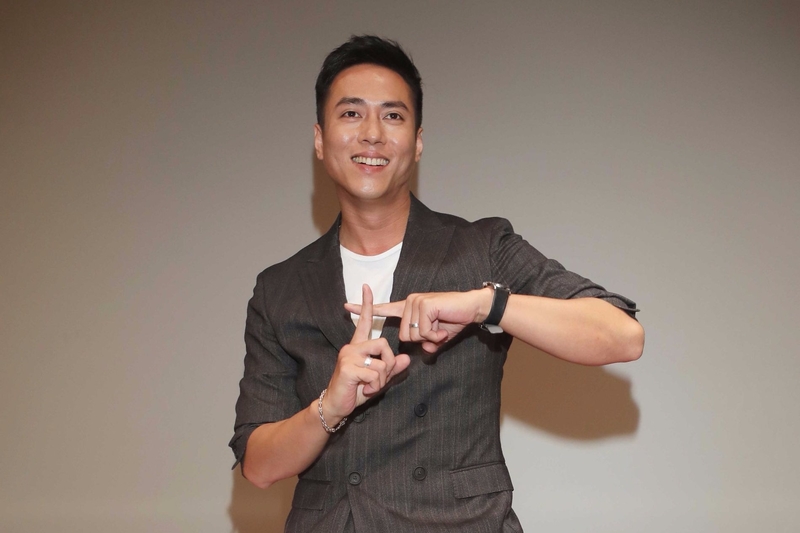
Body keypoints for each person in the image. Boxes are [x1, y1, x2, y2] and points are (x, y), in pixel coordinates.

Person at [230, 35, 644, 532]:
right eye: (351, 113)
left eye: (393, 115)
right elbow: (258, 465)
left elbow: (622, 334)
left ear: (418, 141)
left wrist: (485, 306)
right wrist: (329, 406)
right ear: (320, 139)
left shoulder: (481, 248)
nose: (372, 134)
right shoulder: (280, 289)